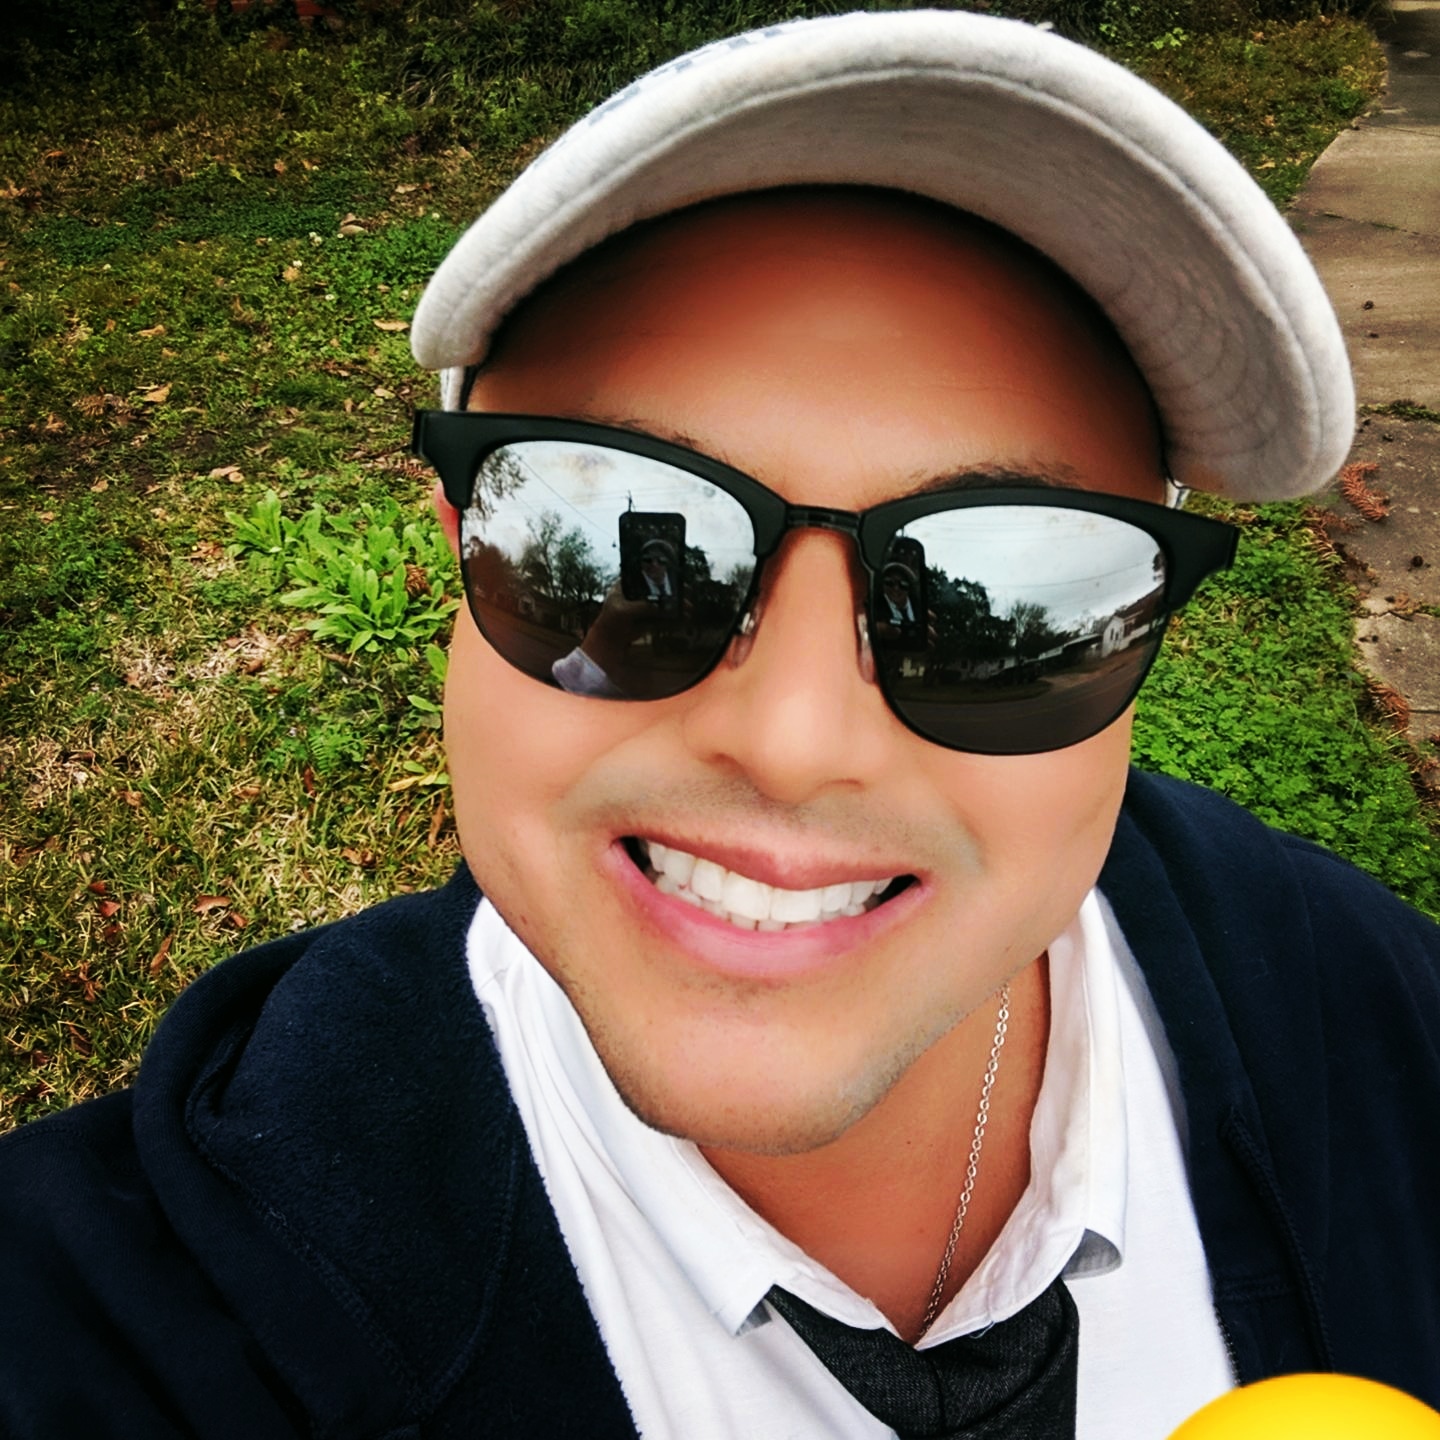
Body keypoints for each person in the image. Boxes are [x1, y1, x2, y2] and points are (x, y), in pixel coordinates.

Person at [4, 11, 1439, 1439]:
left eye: (998, 592)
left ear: (1141, 629)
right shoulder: (110, 1325)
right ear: (457, 549)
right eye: (629, 550)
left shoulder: (1373, 1012)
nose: (795, 741)